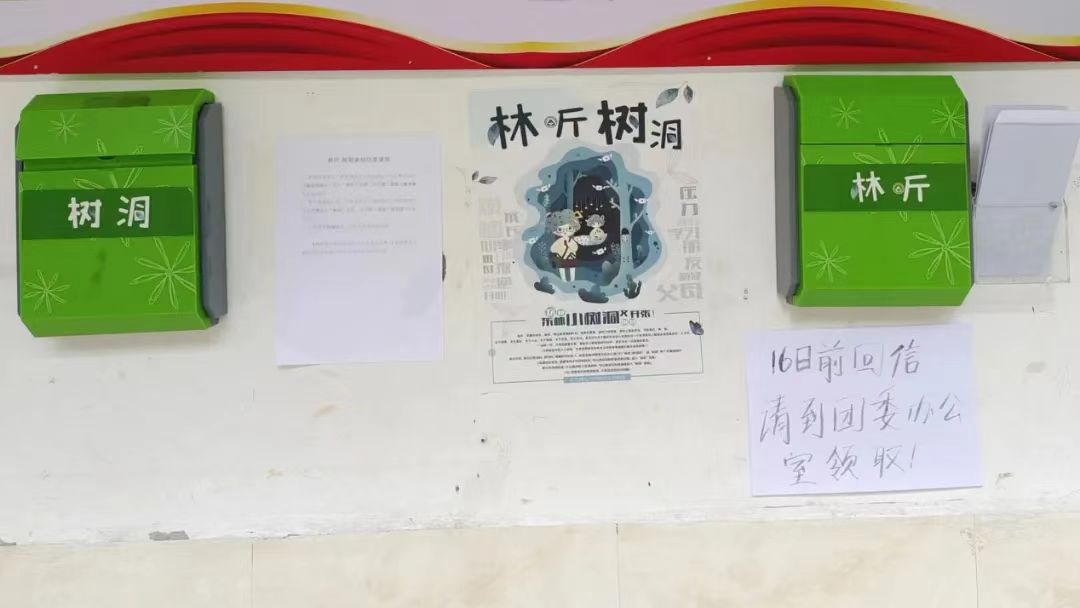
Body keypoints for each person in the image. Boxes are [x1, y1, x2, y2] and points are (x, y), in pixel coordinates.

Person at [547, 209, 581, 282]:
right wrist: (558, 249)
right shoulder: (559, 241)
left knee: (572, 269)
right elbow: (552, 249)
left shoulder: (571, 240)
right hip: (561, 257)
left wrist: (569, 243)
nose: (565, 231)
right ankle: (563, 280)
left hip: (571, 257)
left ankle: (572, 280)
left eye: (569, 228)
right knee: (561, 269)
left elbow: (575, 248)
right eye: (560, 229)